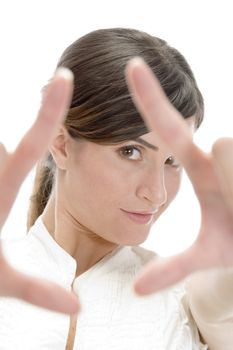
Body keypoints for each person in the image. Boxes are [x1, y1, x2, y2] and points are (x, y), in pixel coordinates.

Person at [0, 27, 232, 349]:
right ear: (62, 144)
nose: (157, 193)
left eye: (172, 161)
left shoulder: (185, 306)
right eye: (130, 151)